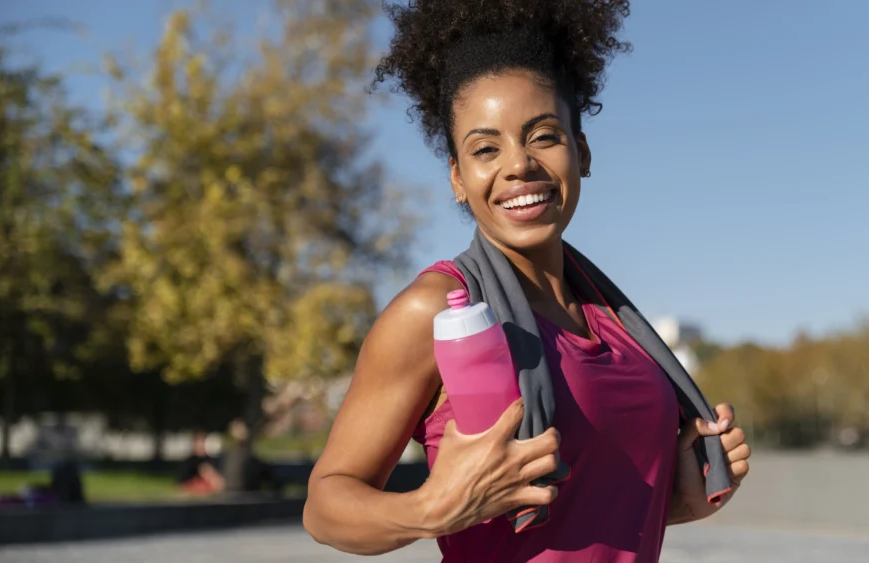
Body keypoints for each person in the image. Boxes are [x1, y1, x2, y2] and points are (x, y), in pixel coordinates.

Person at [303, 2, 751, 561]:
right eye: (485, 149)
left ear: (581, 152)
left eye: (543, 136)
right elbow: (325, 507)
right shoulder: (438, 310)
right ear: (458, 179)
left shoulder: (619, 323)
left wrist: (681, 499)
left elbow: (589, 513)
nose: (518, 165)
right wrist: (433, 508)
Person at [176, 430, 224, 495]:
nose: (200, 445)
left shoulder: (212, 461)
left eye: (202, 442)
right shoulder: (188, 463)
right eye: (198, 442)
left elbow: (219, 485)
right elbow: (181, 487)